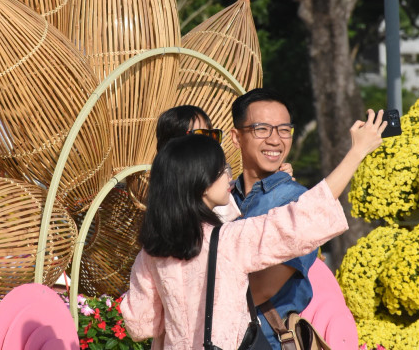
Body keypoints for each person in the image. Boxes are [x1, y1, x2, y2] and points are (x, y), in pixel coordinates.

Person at [121, 110, 386, 349]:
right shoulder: (228, 240)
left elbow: (140, 324)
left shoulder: (152, 251)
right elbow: (302, 220)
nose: (228, 175)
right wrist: (356, 152)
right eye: (221, 170)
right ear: (200, 184)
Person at [229, 88, 359, 349]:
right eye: (262, 129)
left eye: (284, 130)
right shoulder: (224, 197)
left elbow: (261, 289)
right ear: (236, 137)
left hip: (265, 342)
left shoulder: (297, 200)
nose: (275, 140)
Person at [155, 104, 292, 222]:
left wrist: (272, 178)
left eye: (212, 135)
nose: (208, 143)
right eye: (200, 135)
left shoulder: (224, 187)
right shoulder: (172, 201)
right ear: (173, 146)